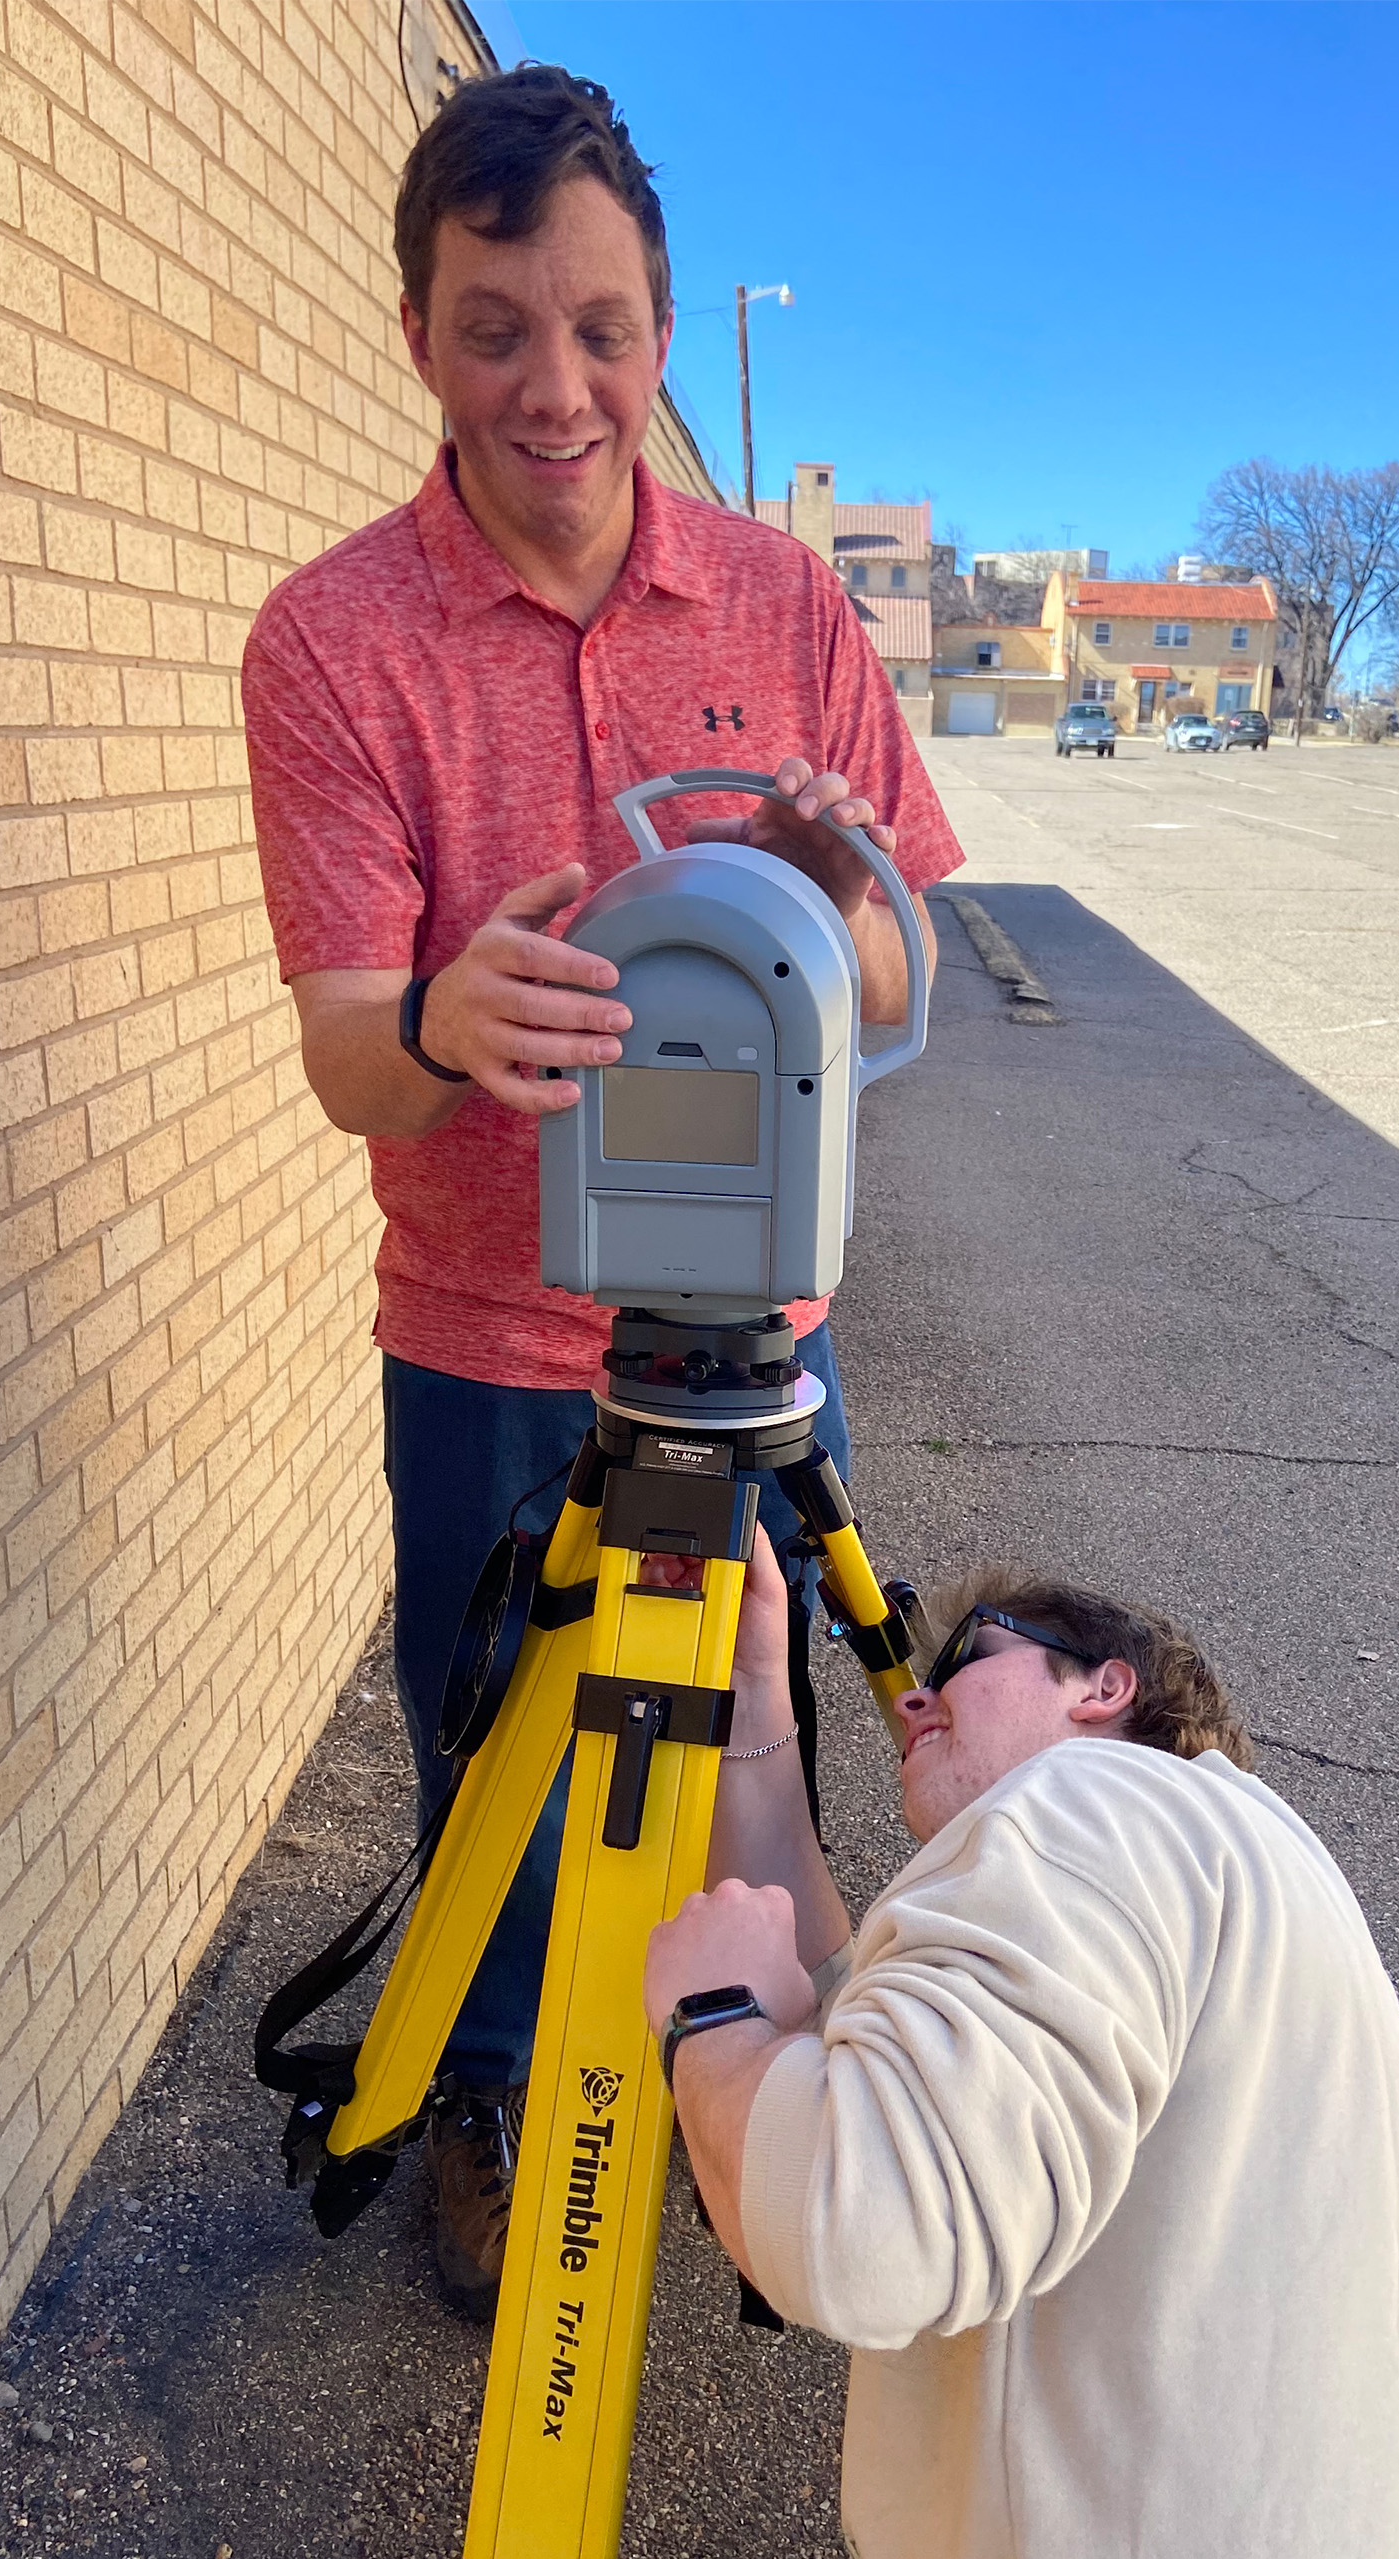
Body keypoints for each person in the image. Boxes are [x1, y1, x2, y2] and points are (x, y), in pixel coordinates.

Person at [240, 66, 963, 2314]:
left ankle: (801, 2111)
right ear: (413, 329)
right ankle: (483, 2097)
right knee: (501, 1781)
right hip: (479, 1343)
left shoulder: (776, 599)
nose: (554, 388)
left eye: (601, 327)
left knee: (762, 1762)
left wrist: (826, 908)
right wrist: (455, 1013)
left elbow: (909, 951)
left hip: (764, 1330)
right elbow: (354, 1054)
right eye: (492, 328)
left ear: (659, 324)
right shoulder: (334, 643)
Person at [644, 1539, 1399, 2559]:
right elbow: (857, 2031)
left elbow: (864, 2213)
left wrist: (711, 2017)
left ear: (1103, 1690)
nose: (912, 1695)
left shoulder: (1111, 1803)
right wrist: (754, 1692)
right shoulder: (1245, 1895)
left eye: (961, 1656)